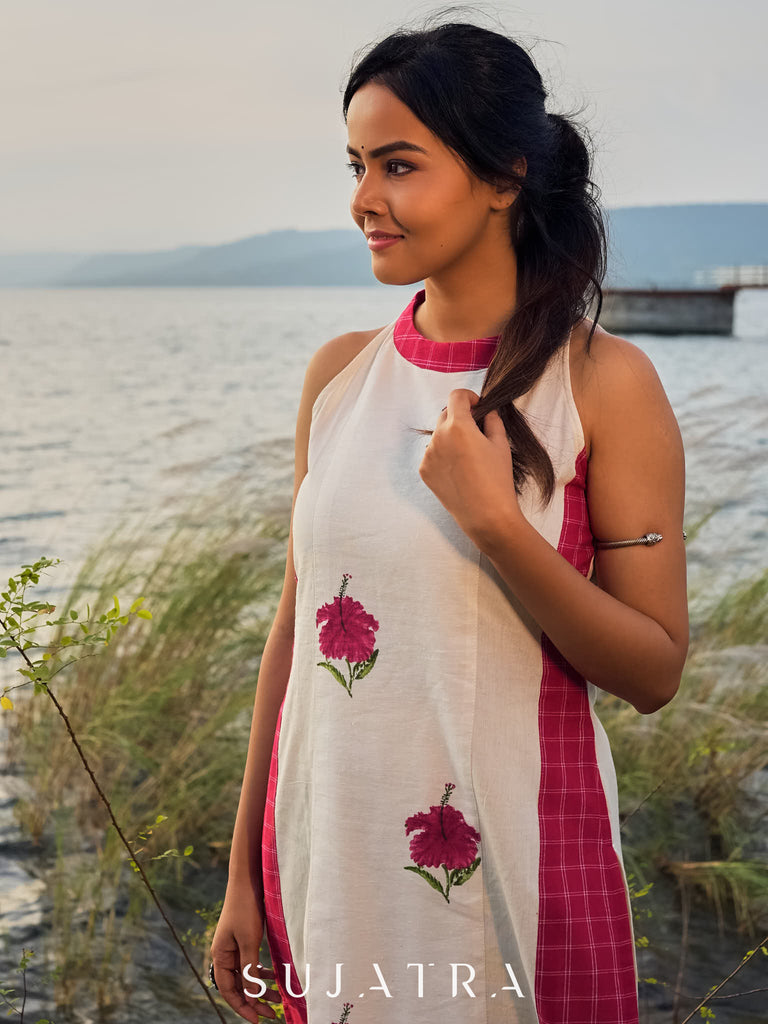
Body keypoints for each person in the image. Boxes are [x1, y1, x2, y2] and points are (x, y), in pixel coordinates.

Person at [209, 14, 688, 1024]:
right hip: (330, 872)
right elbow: (293, 637)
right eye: (354, 165)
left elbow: (653, 671)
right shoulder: (339, 376)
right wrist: (245, 870)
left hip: (523, 884)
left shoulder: (603, 385)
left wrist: (500, 525)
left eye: (398, 165)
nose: (362, 201)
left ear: (505, 176)